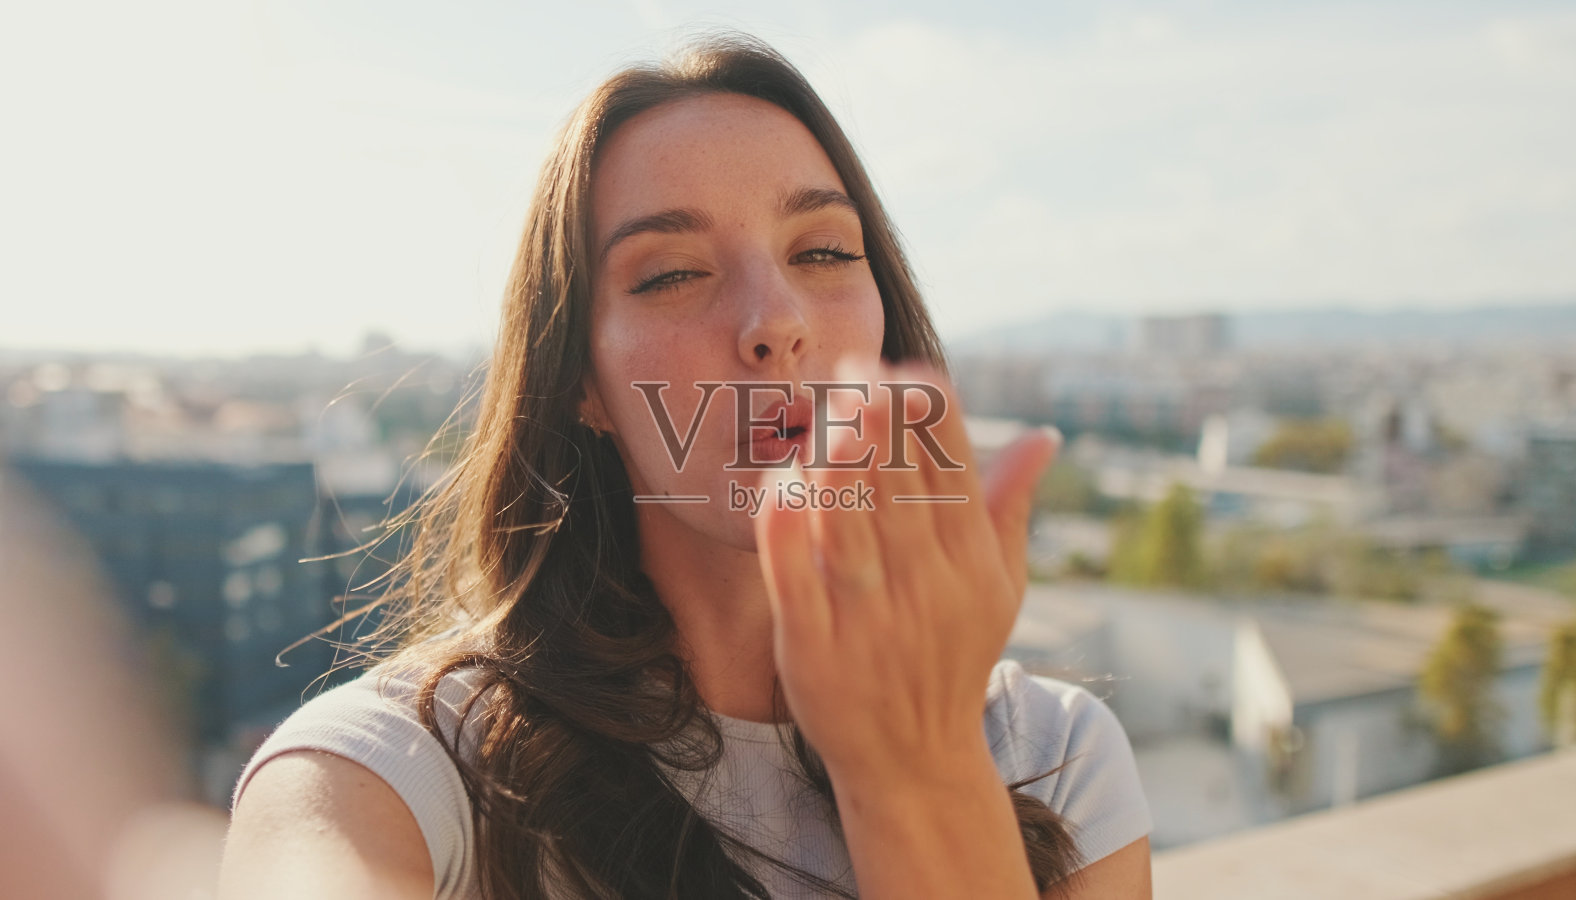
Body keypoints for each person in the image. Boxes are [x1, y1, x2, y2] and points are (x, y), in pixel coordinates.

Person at [219, 34, 1152, 900]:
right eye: (672, 273)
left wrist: (919, 770)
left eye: (823, 251)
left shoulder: (1053, 752)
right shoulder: (394, 770)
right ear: (580, 381)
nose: (776, 321)